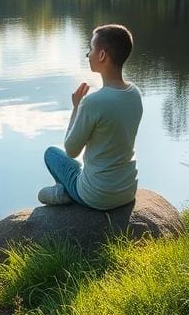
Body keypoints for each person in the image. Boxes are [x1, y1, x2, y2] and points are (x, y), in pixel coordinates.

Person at [39, 23, 143, 209]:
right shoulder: (135, 93)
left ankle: (65, 193)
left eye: (91, 49)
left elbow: (71, 150)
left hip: (97, 195)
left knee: (51, 154)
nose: (88, 54)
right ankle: (68, 189)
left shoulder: (93, 102)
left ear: (102, 55)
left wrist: (76, 107)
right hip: (127, 190)